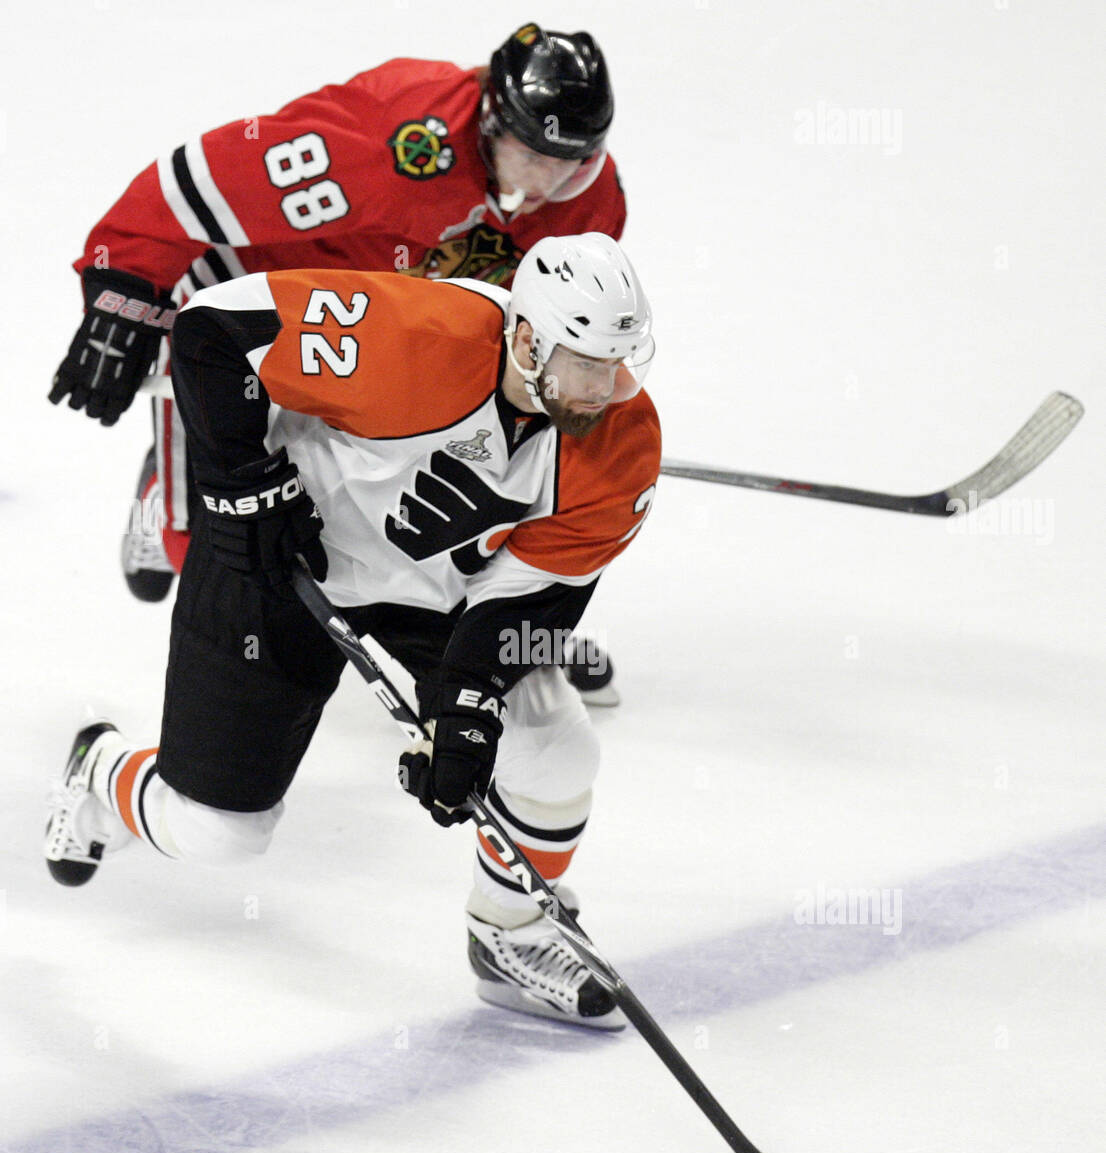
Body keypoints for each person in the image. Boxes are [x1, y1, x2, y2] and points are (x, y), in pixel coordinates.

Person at [44, 232, 660, 1030]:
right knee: (217, 833)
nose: (607, 388)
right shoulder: (411, 335)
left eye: (619, 362)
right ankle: (103, 775)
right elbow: (208, 334)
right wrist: (242, 486)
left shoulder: (623, 440)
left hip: (432, 592)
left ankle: (509, 933)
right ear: (527, 337)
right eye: (586, 364)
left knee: (553, 742)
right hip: (277, 558)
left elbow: (531, 598)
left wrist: (468, 703)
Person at [46, 21, 622, 651]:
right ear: (490, 122)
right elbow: (194, 182)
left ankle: (483, 631)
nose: (545, 187)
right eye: (532, 157)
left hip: (374, 332)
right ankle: (162, 511)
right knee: (219, 542)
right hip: (252, 308)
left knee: (416, 488)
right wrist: (124, 287)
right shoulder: (389, 145)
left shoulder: (593, 202)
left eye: (567, 166)